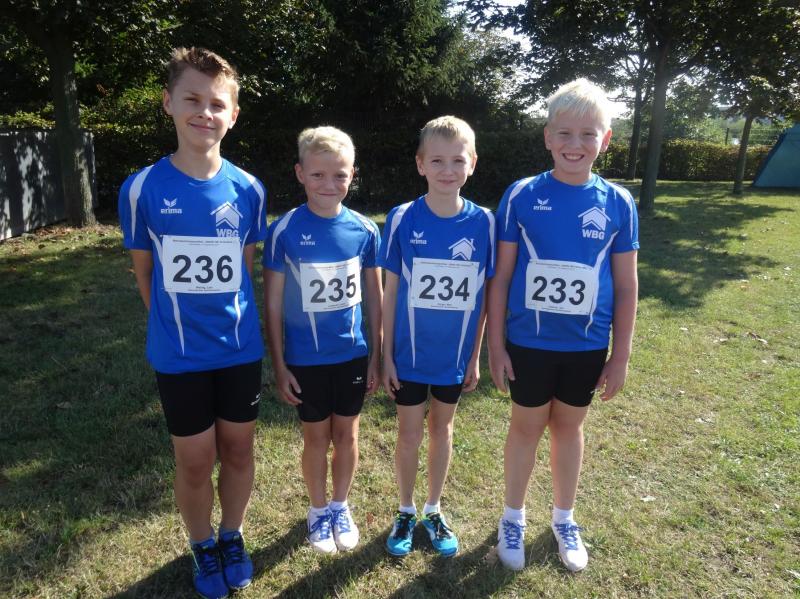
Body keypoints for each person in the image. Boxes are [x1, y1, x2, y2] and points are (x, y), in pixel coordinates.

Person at [118, 47, 266, 599]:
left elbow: (244, 268)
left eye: (217, 103)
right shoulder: (141, 188)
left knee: (239, 450)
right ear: (168, 103)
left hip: (239, 349)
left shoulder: (249, 189)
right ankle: (202, 542)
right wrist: (170, 329)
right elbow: (145, 274)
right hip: (179, 353)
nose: (205, 112)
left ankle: (232, 534)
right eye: (192, 99)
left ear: (234, 114)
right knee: (195, 459)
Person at [488, 79, 639, 572]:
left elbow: (626, 285)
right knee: (526, 427)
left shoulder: (618, 202)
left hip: (586, 345)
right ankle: (513, 517)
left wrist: (620, 355)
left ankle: (564, 518)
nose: (576, 144)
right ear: (548, 137)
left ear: (606, 140)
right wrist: (495, 346)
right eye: (565, 133)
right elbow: (501, 276)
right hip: (528, 342)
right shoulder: (521, 195)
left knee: (569, 428)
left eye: (588, 134)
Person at [263, 126, 382, 554]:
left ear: (353, 175)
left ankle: (339, 505)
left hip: (351, 355)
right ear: (300, 173)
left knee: (347, 435)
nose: (329, 184)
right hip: (305, 359)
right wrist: (280, 366)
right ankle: (317, 510)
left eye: (340, 175)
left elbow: (375, 298)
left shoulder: (365, 230)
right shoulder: (284, 231)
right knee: (316, 439)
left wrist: (377, 356)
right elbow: (272, 305)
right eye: (318, 175)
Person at [380, 116, 495, 557]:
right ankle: (405, 509)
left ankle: (433, 507)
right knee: (409, 433)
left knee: (442, 428)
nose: (448, 170)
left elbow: (484, 297)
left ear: (473, 164)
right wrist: (387, 355)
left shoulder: (485, 223)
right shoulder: (402, 218)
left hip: (454, 354)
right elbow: (390, 292)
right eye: (437, 161)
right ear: (420, 164)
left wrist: (475, 356)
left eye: (458, 161)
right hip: (409, 354)